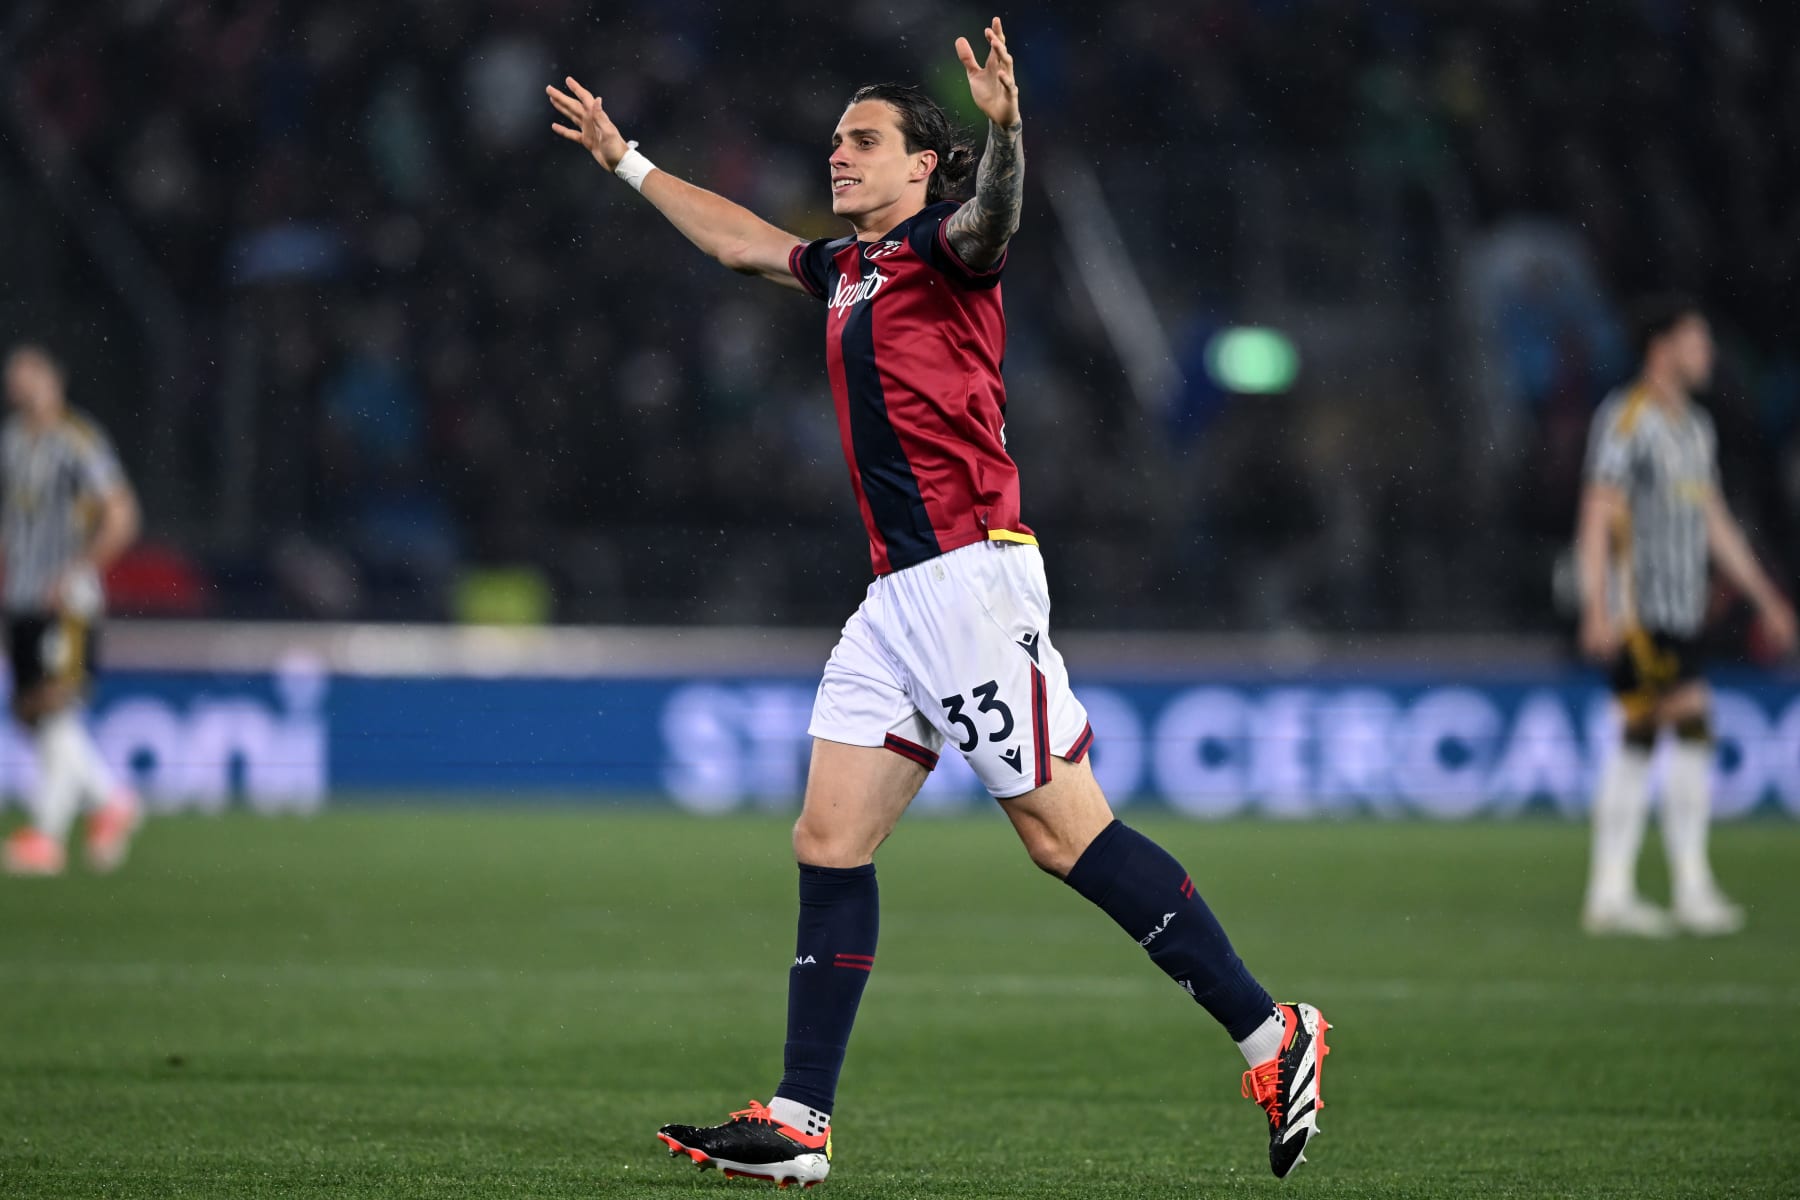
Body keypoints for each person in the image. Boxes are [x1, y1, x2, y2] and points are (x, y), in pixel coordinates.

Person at [549, 19, 1328, 1187]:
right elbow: (740, 243)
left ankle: (1275, 1037)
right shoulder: (845, 268)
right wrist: (625, 157)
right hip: (896, 599)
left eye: (864, 140)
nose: (839, 155)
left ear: (923, 164)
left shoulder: (946, 250)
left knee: (1066, 839)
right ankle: (801, 1123)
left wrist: (1006, 130)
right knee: (828, 836)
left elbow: (997, 212)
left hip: (969, 577)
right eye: (834, 140)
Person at [1575, 297, 1796, 937]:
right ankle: (1682, 887)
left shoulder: (1695, 427)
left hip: (1680, 609)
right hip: (1636, 611)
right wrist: (1598, 606)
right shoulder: (1627, 418)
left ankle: (1615, 893)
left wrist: (1764, 595)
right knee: (1688, 724)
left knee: (1645, 737)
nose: (1707, 354)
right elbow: (1597, 514)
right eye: (1696, 341)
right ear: (1662, 347)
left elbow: (1713, 521)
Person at [1, 345, 143, 877]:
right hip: (20, 596)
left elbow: (123, 513)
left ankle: (46, 834)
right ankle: (110, 800)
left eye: (31, 374)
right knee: (30, 712)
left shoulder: (78, 440)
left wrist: (79, 570)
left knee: (55, 705)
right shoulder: (12, 442)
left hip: (65, 597)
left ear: (54, 380)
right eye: (15, 377)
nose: (22, 385)